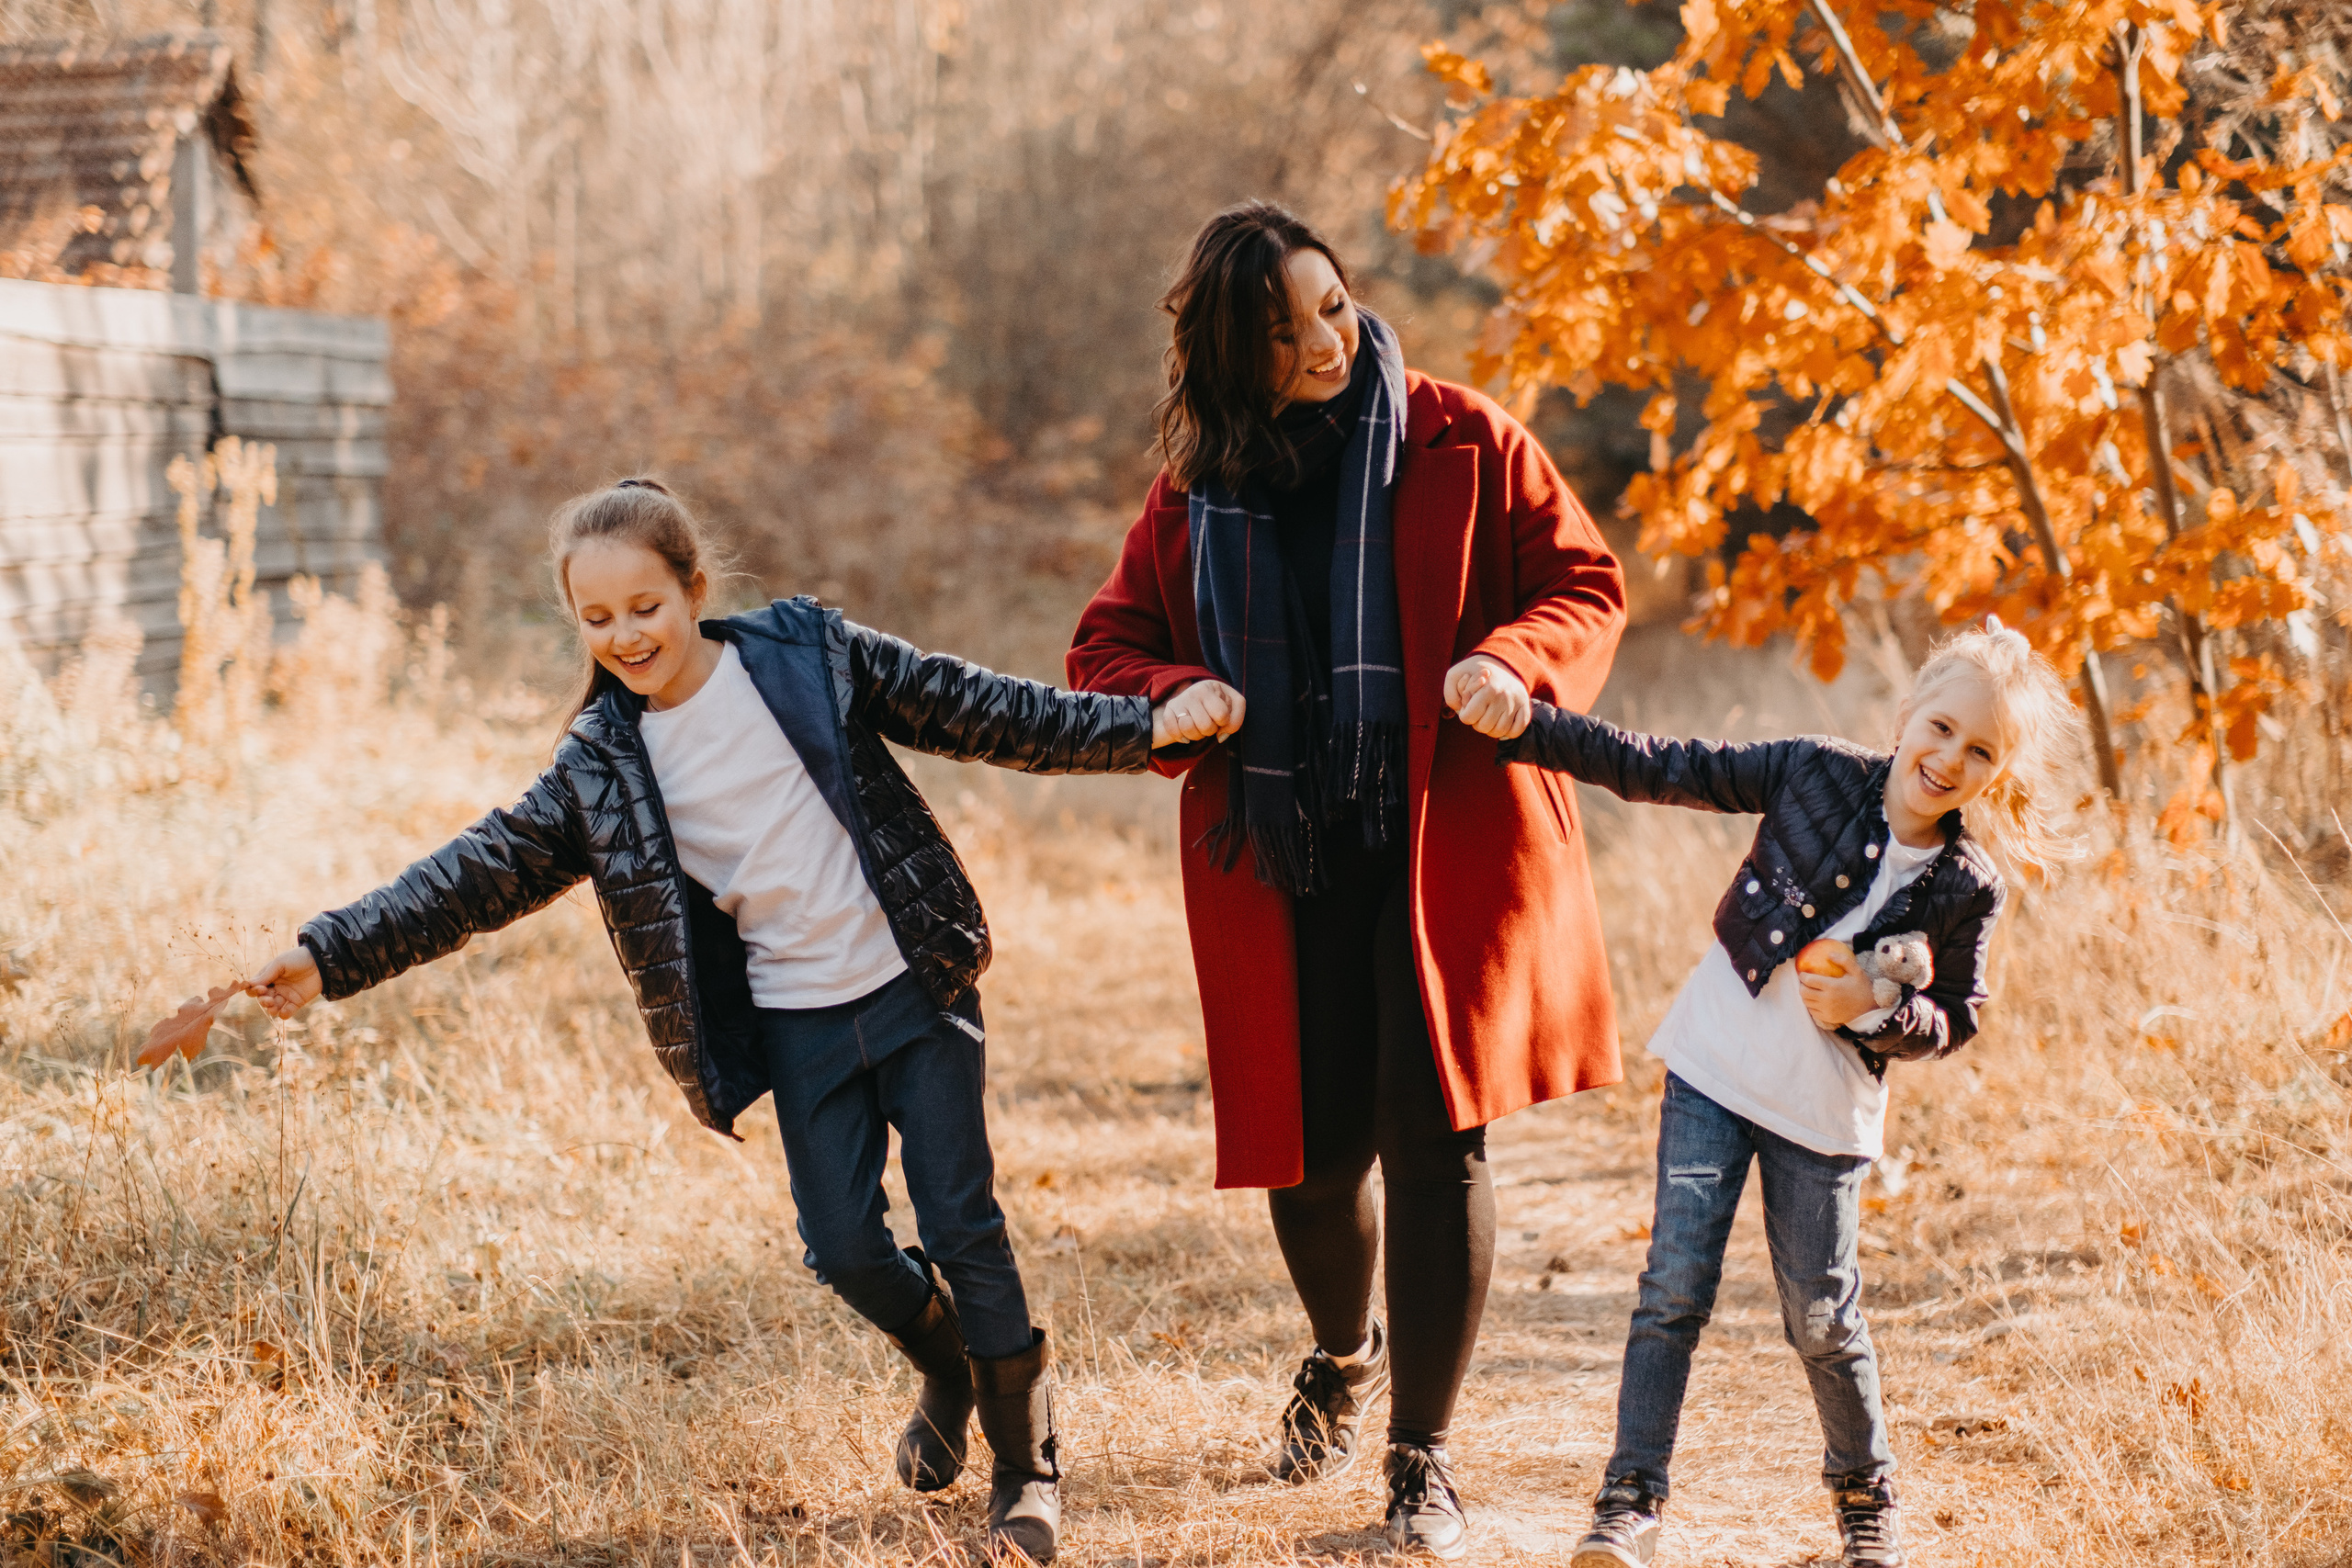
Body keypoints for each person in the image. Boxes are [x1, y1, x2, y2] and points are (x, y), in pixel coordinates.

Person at [243, 478, 1230, 1564]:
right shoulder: (602, 766)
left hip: (913, 987)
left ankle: (1024, 1468)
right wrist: (331, 954)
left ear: (694, 589)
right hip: (799, 1021)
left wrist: (1145, 729)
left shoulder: (809, 655)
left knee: (962, 1222)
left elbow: (989, 711)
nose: (626, 635)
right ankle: (947, 1363)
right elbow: (475, 876)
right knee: (847, 1248)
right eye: (597, 618)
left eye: (646, 607)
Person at [1067, 201, 1627, 1559]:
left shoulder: (1462, 435)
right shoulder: (1194, 492)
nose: (1324, 342)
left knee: (1438, 1140)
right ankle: (1344, 1345)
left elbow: (1586, 581)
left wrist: (1517, 658)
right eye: (1281, 329)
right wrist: (1176, 685)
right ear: (1225, 353)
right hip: (1283, 856)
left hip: (1448, 842)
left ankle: (1420, 1462)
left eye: (1330, 305)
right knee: (1310, 1167)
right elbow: (1107, 645)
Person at [1503, 623, 2084, 1568]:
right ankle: (1628, 1502)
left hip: (1823, 1119)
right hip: (1712, 1070)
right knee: (1670, 1292)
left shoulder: (1967, 885)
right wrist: (1525, 727)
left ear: (1998, 771)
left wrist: (1875, 1010)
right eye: (1939, 728)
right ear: (1905, 717)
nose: (1948, 758)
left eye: (1980, 751)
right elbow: (1659, 765)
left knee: (1819, 1314)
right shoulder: (1811, 772)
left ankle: (1864, 1493)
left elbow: (1955, 1017)